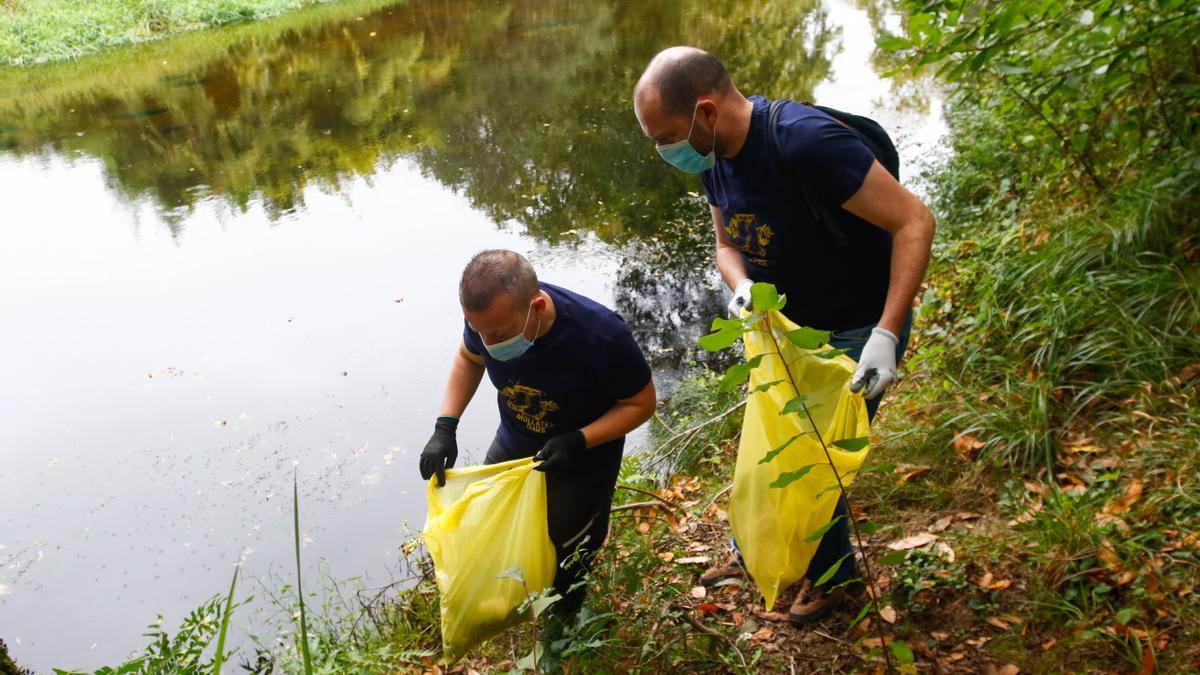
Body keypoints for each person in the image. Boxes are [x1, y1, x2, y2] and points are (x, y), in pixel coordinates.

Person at [633, 46, 935, 624]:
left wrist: (887, 334)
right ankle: (756, 548)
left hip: (856, 332)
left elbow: (914, 220)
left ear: (706, 110)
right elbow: (726, 244)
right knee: (774, 447)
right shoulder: (715, 155)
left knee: (820, 465)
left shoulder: (804, 142)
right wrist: (740, 285)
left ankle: (833, 579)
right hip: (781, 330)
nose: (663, 151)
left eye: (665, 135)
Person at [418, 249, 656, 661]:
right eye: (480, 331)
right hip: (517, 438)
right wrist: (445, 427)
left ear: (537, 306)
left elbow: (641, 404)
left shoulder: (601, 336)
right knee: (484, 519)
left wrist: (578, 440)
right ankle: (506, 601)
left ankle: (562, 629)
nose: (488, 343)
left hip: (584, 452)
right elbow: (468, 357)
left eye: (497, 333)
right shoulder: (485, 319)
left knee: (568, 545)